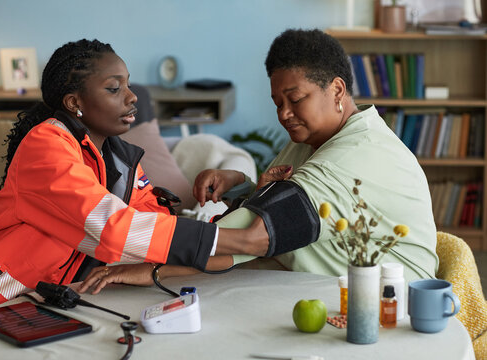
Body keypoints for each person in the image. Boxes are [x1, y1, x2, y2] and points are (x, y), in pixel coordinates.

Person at [0, 39, 281, 333]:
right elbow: (111, 226)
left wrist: (242, 196)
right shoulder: (45, 146)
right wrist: (243, 240)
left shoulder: (117, 158)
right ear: (74, 102)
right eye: (114, 88)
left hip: (44, 309)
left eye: (128, 85)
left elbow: (157, 224)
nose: (132, 96)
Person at [79, 29, 438, 294]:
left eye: (295, 99)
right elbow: (276, 204)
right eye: (277, 101)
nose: (284, 114)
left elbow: (255, 235)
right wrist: (241, 181)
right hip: (325, 280)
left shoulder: (353, 156)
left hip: (388, 302)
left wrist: (147, 269)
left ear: (338, 90)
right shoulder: (316, 137)